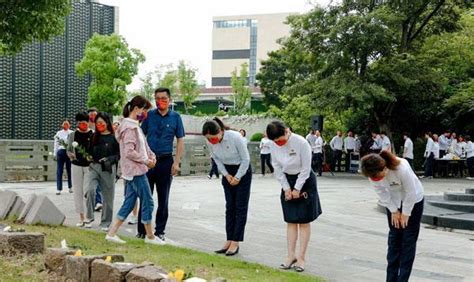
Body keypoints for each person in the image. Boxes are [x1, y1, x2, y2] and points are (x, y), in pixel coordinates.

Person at [106, 96, 164, 245]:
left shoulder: (132, 125)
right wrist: (146, 160)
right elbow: (129, 151)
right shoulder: (129, 127)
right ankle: (150, 236)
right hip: (136, 170)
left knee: (130, 202)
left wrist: (151, 156)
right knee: (148, 201)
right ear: (137, 108)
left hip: (134, 170)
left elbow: (143, 146)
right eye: (144, 109)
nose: (145, 113)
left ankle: (112, 233)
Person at [266, 121, 322, 273]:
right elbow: (276, 167)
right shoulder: (272, 145)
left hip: (304, 181)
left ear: (287, 131)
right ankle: (291, 255)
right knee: (290, 220)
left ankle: (302, 258)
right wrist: (286, 188)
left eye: (281, 140)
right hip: (287, 180)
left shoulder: (301, 143)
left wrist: (297, 188)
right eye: (276, 142)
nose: (279, 143)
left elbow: (306, 168)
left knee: (303, 221)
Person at [360, 151, 424, 282]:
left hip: (414, 201)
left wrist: (406, 213)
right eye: (373, 177)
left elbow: (410, 192)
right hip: (393, 202)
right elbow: (381, 192)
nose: (376, 179)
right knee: (394, 239)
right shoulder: (371, 172)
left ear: (384, 168)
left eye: (378, 176)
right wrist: (394, 211)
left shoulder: (401, 168)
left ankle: (403, 279)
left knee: (408, 240)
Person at [137, 87, 185, 241]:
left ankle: (160, 231)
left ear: (169, 100)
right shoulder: (149, 116)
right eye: (157, 98)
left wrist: (176, 162)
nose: (160, 101)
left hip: (166, 161)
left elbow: (180, 140)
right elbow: (140, 135)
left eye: (163, 98)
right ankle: (142, 230)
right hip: (149, 162)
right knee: (145, 196)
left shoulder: (176, 117)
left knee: (163, 198)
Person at [203, 118, 252, 256]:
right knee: (229, 207)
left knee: (240, 207)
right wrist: (225, 174)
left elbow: (246, 159)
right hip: (227, 172)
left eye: (213, 138)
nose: (211, 141)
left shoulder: (235, 137)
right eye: (208, 139)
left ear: (221, 131)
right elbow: (216, 159)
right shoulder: (209, 141)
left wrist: (238, 177)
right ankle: (229, 238)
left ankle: (236, 241)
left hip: (242, 170)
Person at [84, 112, 120, 231]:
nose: (99, 125)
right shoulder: (93, 136)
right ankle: (89, 217)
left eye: (101, 122)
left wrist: (109, 159)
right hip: (94, 167)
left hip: (108, 169)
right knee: (90, 190)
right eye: (97, 123)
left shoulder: (114, 138)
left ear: (107, 123)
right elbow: (88, 151)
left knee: (108, 197)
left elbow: (118, 155)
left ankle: (105, 222)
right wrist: (87, 157)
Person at [66, 112, 93, 227]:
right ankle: (81, 217)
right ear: (77, 123)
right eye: (81, 123)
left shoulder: (93, 134)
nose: (83, 125)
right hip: (76, 165)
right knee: (78, 191)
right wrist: (71, 155)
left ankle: (89, 217)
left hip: (89, 166)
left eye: (85, 123)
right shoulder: (72, 135)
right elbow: (68, 149)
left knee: (88, 191)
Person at [88, 107, 103, 212]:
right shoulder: (87, 127)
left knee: (98, 182)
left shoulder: (101, 126)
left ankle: (98, 201)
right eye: (91, 115)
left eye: (94, 114)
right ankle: (94, 201)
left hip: (100, 159)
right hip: (89, 159)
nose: (93, 117)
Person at [53, 119, 73, 195]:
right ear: (62, 125)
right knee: (59, 170)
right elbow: (56, 144)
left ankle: (71, 187)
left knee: (69, 170)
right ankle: (59, 188)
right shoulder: (59, 133)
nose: (65, 125)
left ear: (69, 125)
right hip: (61, 151)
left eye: (67, 124)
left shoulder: (71, 133)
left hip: (68, 152)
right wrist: (55, 153)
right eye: (64, 124)